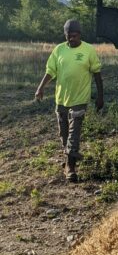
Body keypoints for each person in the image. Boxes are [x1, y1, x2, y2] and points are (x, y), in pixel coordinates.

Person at [35, 20, 104, 182]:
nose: (71, 39)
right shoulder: (59, 50)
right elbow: (50, 71)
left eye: (74, 36)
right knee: (64, 134)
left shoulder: (88, 50)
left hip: (80, 99)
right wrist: (40, 88)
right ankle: (70, 158)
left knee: (74, 133)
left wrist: (100, 96)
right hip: (61, 99)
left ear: (80, 34)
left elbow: (97, 73)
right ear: (65, 35)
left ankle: (71, 168)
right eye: (68, 36)